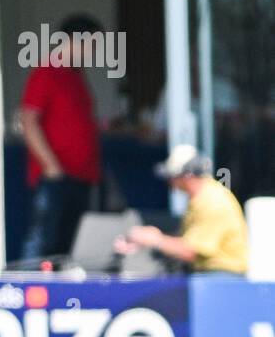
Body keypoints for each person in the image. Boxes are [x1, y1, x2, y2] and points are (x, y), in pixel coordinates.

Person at [17, 14, 103, 260]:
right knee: (45, 243)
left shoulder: (75, 75)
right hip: (56, 178)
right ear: (75, 41)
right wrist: (51, 167)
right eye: (93, 44)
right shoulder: (47, 72)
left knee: (71, 247)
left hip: (80, 177)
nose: (95, 51)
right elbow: (28, 120)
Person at [114, 144, 248, 275]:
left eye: (173, 176)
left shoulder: (212, 201)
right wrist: (147, 241)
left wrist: (155, 240)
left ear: (187, 176)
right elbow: (189, 241)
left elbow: (190, 251)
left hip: (223, 277)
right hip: (212, 274)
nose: (170, 182)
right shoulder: (201, 198)